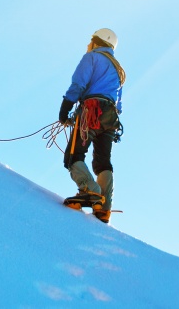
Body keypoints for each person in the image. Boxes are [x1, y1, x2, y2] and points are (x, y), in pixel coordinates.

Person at [58, 28, 125, 223]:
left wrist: (65, 109)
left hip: (91, 110)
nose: (88, 45)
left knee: (73, 156)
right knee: (103, 161)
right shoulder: (118, 69)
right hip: (111, 118)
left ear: (97, 42)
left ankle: (90, 192)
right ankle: (104, 209)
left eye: (90, 41)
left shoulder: (92, 58)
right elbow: (118, 103)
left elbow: (78, 84)